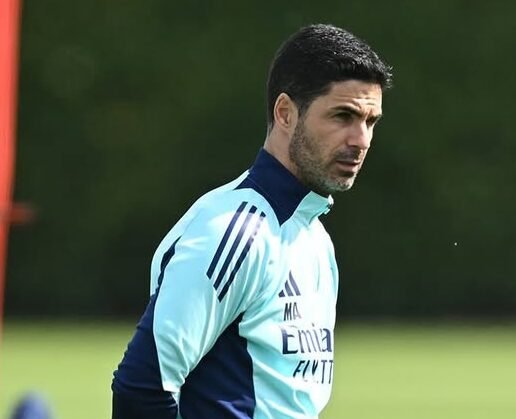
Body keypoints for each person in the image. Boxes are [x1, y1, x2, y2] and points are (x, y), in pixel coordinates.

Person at [112, 23, 392, 419]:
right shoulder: (234, 230)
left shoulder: (315, 238)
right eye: (343, 115)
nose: (360, 139)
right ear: (285, 113)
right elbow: (142, 387)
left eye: (370, 121)